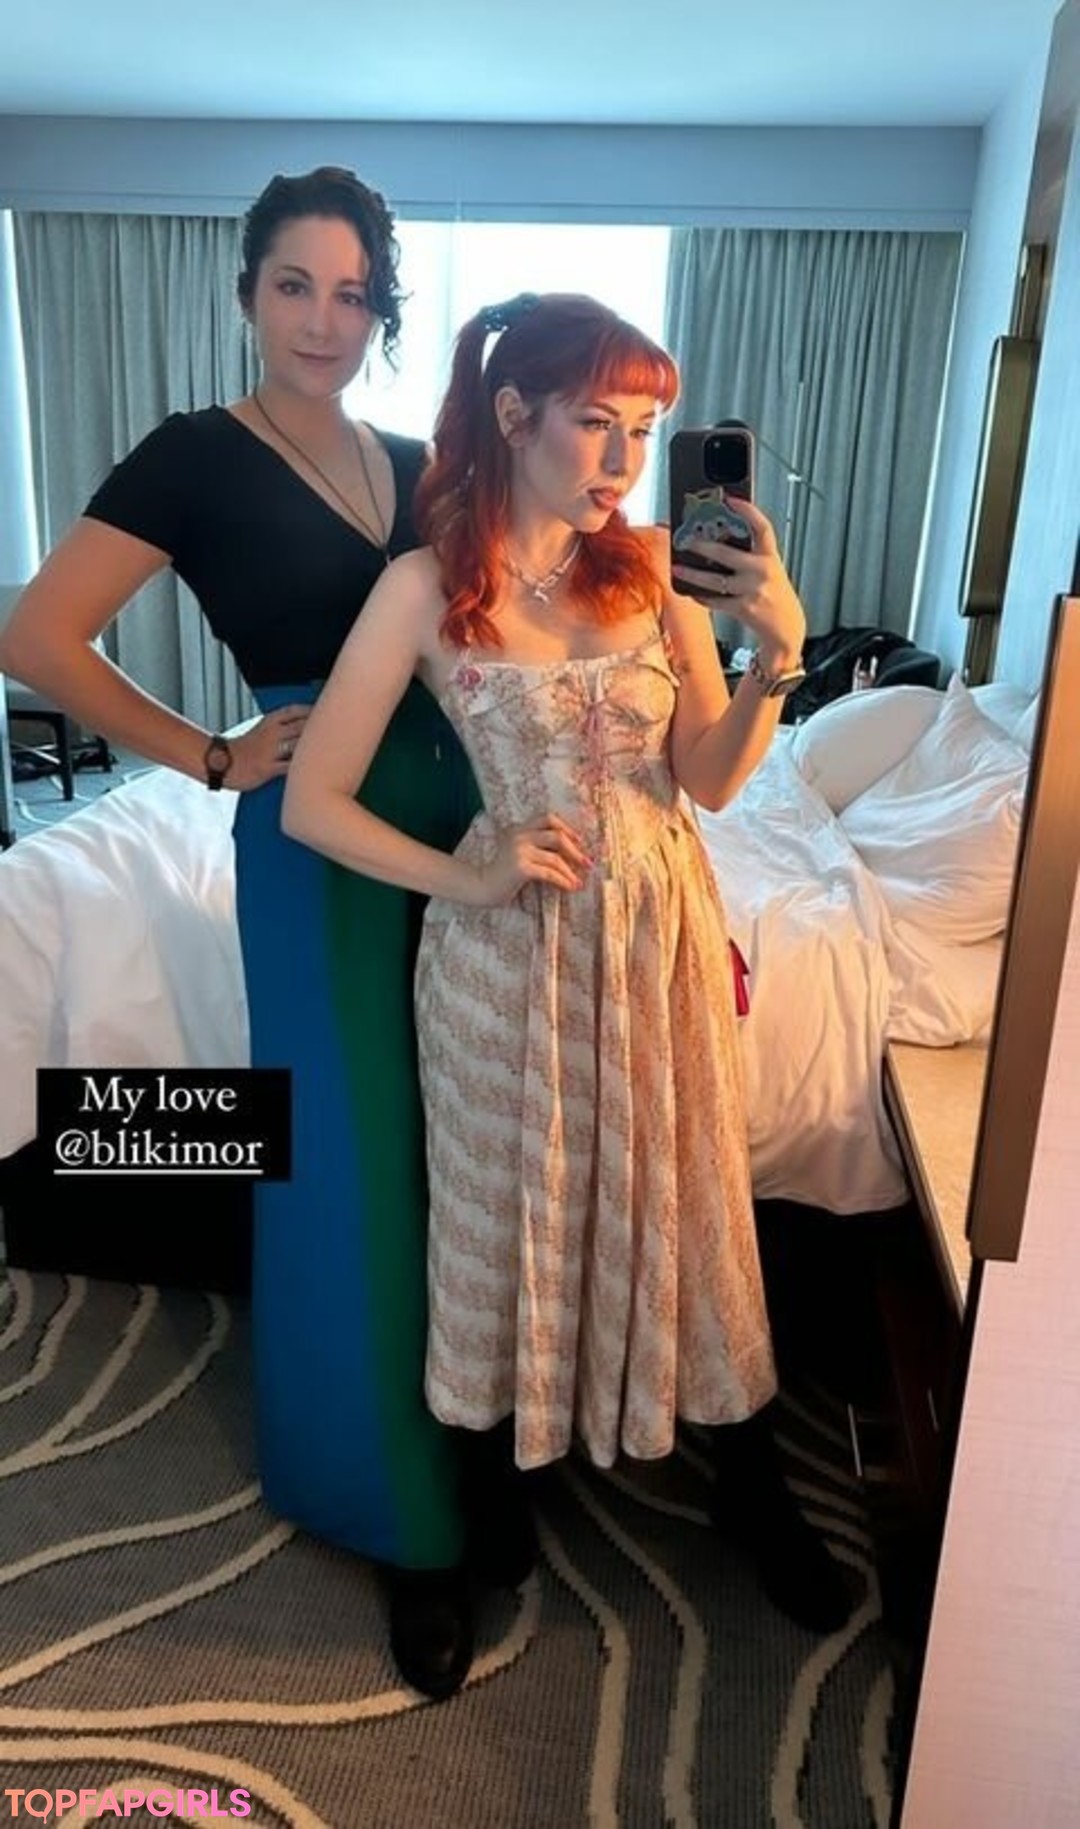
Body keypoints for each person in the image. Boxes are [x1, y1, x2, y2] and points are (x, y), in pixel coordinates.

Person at [282, 291, 852, 1635]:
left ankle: (750, 1483)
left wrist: (777, 654)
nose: (622, 460)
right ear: (512, 413)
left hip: (658, 935)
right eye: (597, 422)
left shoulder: (652, 571)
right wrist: (471, 876)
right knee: (502, 1213)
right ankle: (491, 1492)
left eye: (643, 430)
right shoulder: (426, 587)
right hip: (505, 955)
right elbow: (315, 801)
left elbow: (709, 778)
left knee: (690, 1199)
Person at [0, 167, 486, 1698]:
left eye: (352, 292)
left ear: (380, 310)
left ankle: (473, 1450)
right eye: (294, 285)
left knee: (453, 1152)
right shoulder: (195, 455)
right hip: (312, 845)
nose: (323, 320)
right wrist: (208, 754)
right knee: (350, 1166)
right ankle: (393, 1510)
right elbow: (33, 634)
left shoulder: (414, 465)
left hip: (451, 834)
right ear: (247, 292)